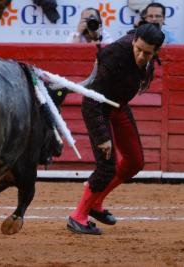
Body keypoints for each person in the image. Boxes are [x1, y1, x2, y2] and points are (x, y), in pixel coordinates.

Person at [67, 23, 165, 235]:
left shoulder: (145, 51)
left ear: (156, 51)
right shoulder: (114, 55)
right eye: (137, 49)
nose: (140, 56)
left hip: (118, 106)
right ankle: (78, 216)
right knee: (106, 166)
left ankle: (96, 203)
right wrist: (102, 136)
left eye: (147, 53)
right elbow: (92, 98)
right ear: (133, 41)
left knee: (134, 162)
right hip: (98, 108)